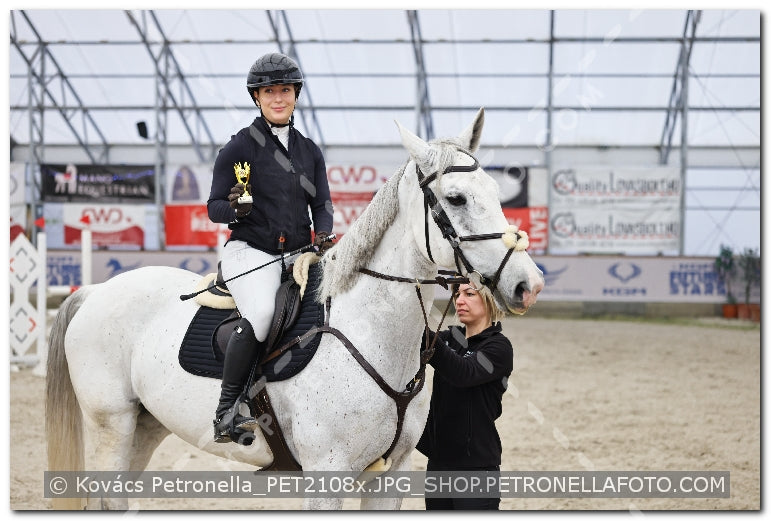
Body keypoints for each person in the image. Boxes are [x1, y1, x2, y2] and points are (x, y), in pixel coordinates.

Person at [207, 52, 333, 444]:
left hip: (299, 254)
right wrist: (236, 208)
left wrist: (323, 235)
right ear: (257, 98)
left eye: (284, 90)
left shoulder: (310, 151)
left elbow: (322, 205)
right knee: (262, 313)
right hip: (252, 250)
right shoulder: (239, 148)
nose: (277, 98)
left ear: (295, 95)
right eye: (268, 92)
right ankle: (227, 411)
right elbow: (213, 207)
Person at [416, 281, 513, 510]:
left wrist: (425, 337)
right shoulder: (451, 338)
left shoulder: (499, 347)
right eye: (457, 294)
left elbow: (463, 373)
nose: (459, 301)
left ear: (491, 300)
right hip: (439, 463)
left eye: (469, 294)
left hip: (476, 467)